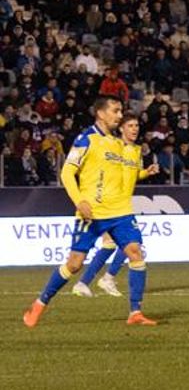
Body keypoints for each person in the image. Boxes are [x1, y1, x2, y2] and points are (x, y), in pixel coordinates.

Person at [23, 97, 158, 327]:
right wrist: (79, 201)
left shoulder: (117, 144)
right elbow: (66, 173)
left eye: (120, 111)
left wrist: (144, 172)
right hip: (92, 212)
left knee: (135, 253)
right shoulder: (86, 139)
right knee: (74, 264)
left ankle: (135, 312)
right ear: (101, 113)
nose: (119, 115)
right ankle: (38, 304)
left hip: (121, 211)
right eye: (115, 111)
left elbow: (126, 175)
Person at [72, 115, 157, 297]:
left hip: (123, 204)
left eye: (136, 125)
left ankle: (87, 282)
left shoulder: (136, 150)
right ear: (121, 129)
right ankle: (102, 279)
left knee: (117, 245)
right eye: (130, 125)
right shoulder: (112, 146)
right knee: (123, 245)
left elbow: (131, 174)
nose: (135, 129)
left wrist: (145, 173)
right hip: (108, 204)